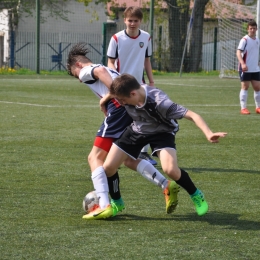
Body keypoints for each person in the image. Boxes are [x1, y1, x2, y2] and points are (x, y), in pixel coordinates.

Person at [83, 73, 228, 220]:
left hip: (162, 132)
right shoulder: (128, 95)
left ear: (133, 94)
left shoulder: (160, 102)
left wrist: (208, 133)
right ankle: (117, 203)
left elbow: (192, 115)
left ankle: (196, 194)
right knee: (108, 167)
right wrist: (105, 99)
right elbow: (116, 90)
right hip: (137, 130)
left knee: (170, 169)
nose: (120, 103)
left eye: (122, 100)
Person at [66, 43, 179, 218]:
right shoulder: (108, 68)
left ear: (78, 65)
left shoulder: (88, 70)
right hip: (129, 110)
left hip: (118, 110)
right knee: (128, 160)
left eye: (75, 74)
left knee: (94, 157)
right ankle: (165, 184)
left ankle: (104, 204)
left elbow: (101, 75)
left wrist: (110, 96)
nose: (79, 79)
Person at [107, 6, 156, 165]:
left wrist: (152, 81)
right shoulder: (116, 38)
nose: (133, 23)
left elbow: (147, 60)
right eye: (130, 20)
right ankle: (115, 155)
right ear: (125, 20)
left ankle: (143, 153)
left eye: (136, 20)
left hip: (139, 85)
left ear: (140, 21)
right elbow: (110, 62)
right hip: (121, 88)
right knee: (120, 119)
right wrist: (117, 79)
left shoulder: (146, 37)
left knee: (145, 117)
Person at [236, 19, 260, 115]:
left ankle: (258, 107)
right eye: (251, 28)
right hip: (245, 68)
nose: (252, 30)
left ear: (256, 29)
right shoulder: (244, 40)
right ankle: (243, 108)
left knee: (257, 87)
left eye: (254, 28)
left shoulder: (257, 40)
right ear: (247, 29)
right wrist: (242, 63)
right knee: (245, 87)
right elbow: (238, 52)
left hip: (255, 68)